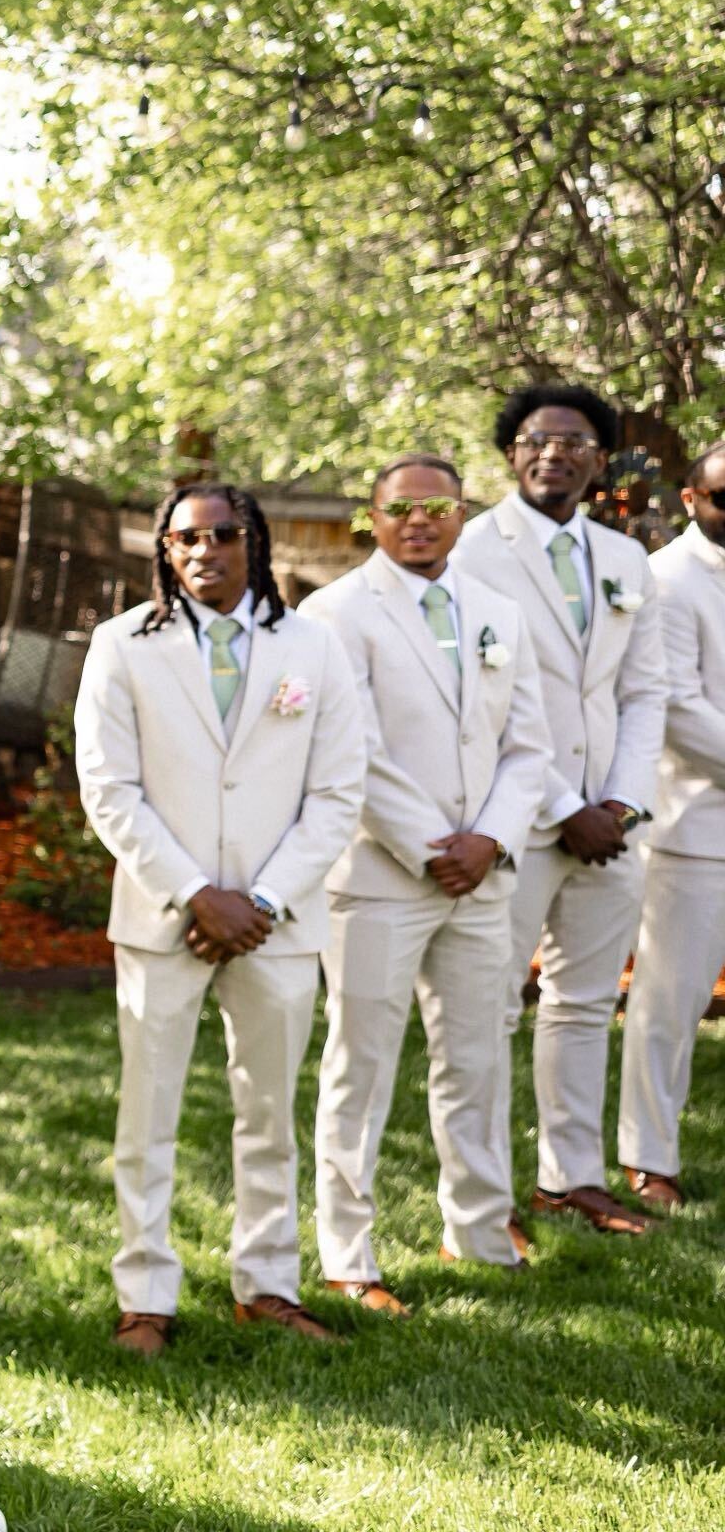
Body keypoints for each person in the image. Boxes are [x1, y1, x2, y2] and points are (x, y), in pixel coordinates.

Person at [74, 482, 366, 1355]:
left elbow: (337, 790)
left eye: (224, 534)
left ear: (256, 542)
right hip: (165, 919)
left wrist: (262, 901)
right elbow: (109, 788)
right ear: (165, 551)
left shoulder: (315, 646)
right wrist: (195, 893)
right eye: (186, 538)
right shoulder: (122, 645)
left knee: (270, 1109)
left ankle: (269, 1284)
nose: (206, 550)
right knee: (147, 1111)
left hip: (279, 923)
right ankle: (146, 1295)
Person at [298, 456, 547, 1307]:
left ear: (462, 512)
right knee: (358, 1066)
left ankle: (478, 1231)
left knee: (477, 1057)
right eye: (399, 508)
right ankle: (348, 1256)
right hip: (378, 876)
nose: (419, 520)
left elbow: (529, 747)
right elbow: (349, 749)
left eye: (436, 506)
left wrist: (491, 842)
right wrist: (430, 845)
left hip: (483, 877)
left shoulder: (498, 612)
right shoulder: (332, 614)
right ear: (371, 518)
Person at [451, 384, 668, 1237]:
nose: (556, 453)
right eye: (538, 438)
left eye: (576, 441)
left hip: (611, 830)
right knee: (492, 1009)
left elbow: (643, 693)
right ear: (512, 452)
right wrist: (565, 806)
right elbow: (482, 701)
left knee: (583, 1004)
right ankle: (484, 1197)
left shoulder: (625, 561)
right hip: (519, 820)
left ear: (598, 459)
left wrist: (619, 802)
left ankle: (571, 1177)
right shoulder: (472, 552)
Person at [616, 442, 725, 1215]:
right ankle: (649, 1158)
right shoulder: (667, 581)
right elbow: (680, 710)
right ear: (691, 500)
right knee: (671, 1001)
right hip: (697, 827)